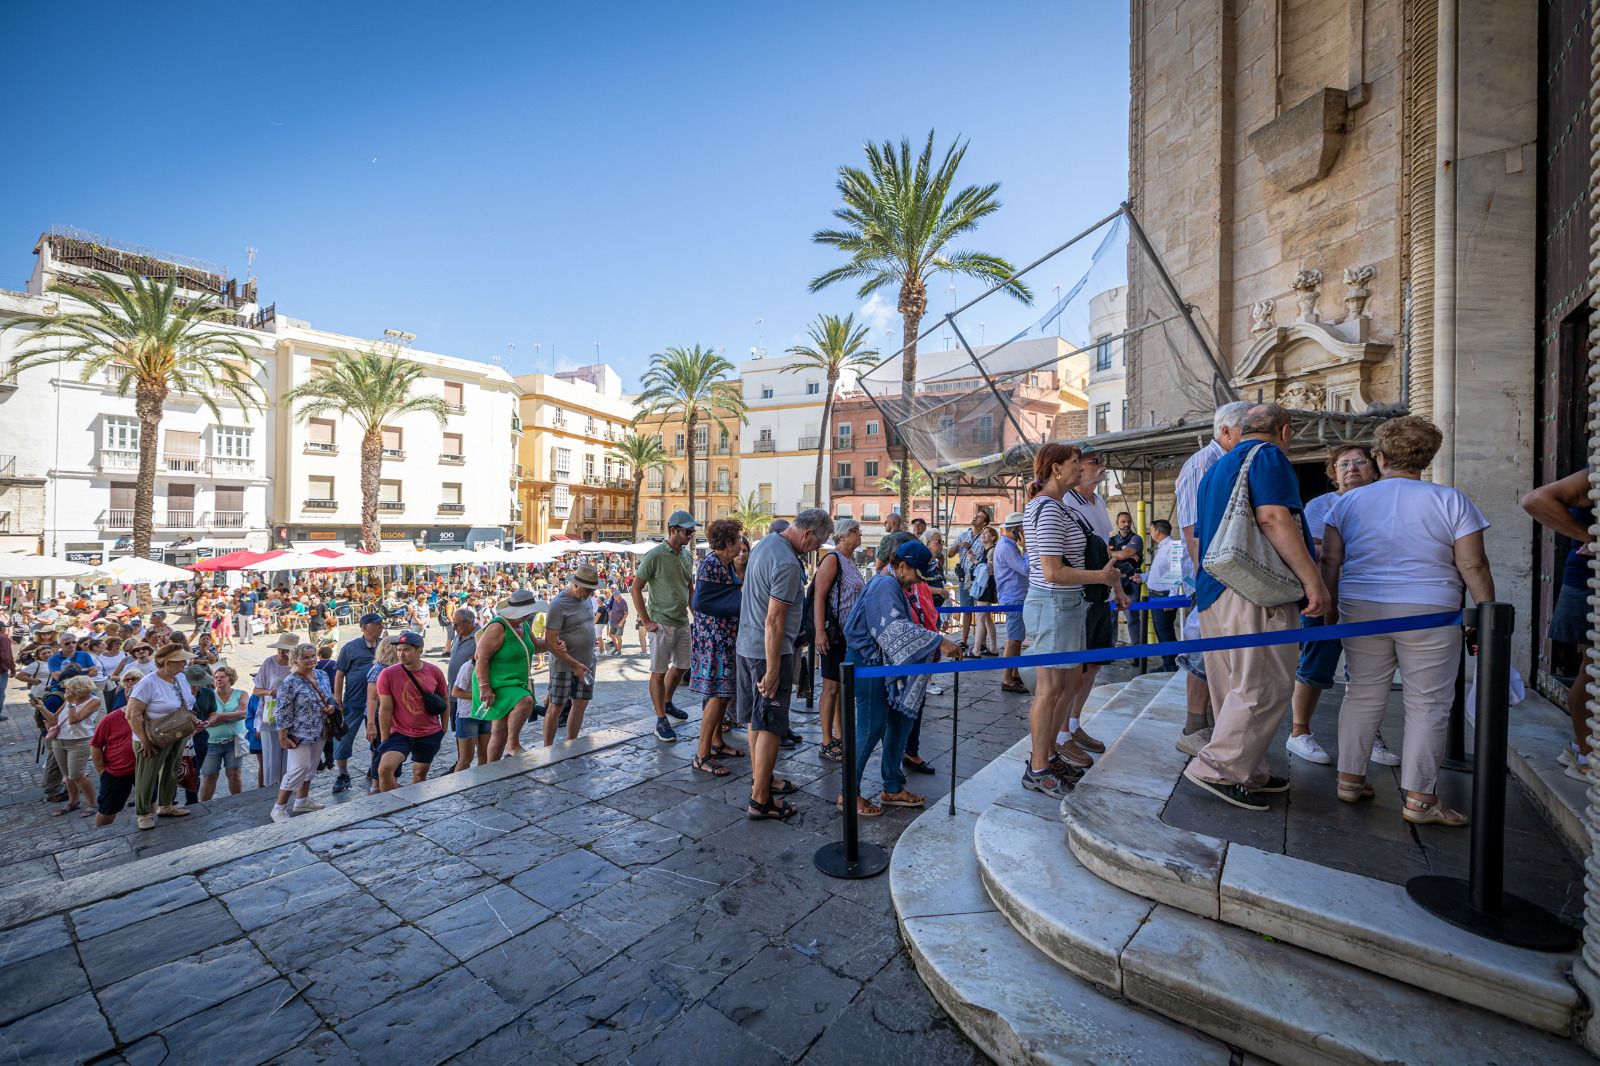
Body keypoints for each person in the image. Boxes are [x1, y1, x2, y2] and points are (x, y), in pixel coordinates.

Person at [1322, 416, 1492, 826]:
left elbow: (1331, 559)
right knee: (1428, 703)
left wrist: (1328, 607)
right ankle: (1419, 800)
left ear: (1380, 458)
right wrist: (1487, 611)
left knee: (1361, 693)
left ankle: (1349, 780)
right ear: (1428, 458)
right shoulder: (1451, 500)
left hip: (1361, 607)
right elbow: (1473, 563)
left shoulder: (1346, 502)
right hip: (1431, 608)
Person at [1182, 404, 1330, 811]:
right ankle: (1219, 768)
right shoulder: (1268, 456)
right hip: (1255, 591)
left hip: (1215, 591)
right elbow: (1272, 518)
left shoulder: (1216, 468)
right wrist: (1312, 580)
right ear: (1285, 430)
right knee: (1264, 685)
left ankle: (1248, 770)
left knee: (1233, 686)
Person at [1021, 444, 1123, 798]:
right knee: (1049, 690)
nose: (1081, 467)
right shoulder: (1048, 509)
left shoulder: (1058, 507)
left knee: (1066, 686)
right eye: (1074, 462)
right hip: (1054, 605)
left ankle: (1049, 754)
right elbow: (1052, 571)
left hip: (1067, 605)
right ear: (1056, 470)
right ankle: (1037, 768)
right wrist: (1101, 578)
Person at [1284, 443, 1388, 766]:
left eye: (1359, 462)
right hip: (1326, 597)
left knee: (1368, 672)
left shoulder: (1385, 502)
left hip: (1372, 597)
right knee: (1315, 665)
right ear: (1333, 474)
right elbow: (1316, 551)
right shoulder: (1321, 505)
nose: (1352, 468)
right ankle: (1299, 732)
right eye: (1343, 464)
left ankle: (1369, 736)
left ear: (1374, 468)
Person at [841, 539, 960, 814]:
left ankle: (892, 786)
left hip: (880, 663)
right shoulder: (885, 585)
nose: (917, 582)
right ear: (902, 566)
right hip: (867, 663)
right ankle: (849, 793)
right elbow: (894, 629)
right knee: (870, 728)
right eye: (916, 575)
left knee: (899, 723)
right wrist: (939, 642)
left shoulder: (892, 583)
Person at [738, 508, 833, 819]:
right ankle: (760, 800)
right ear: (806, 534)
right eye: (819, 542)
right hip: (769, 652)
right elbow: (774, 621)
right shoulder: (789, 564)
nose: (817, 549)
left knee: (757, 719)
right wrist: (776, 667)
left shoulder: (765, 544)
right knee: (772, 724)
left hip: (747, 647)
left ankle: (761, 780)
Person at [1173, 399, 1250, 755]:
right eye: (1248, 431)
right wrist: (1206, 580)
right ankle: (1195, 725)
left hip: (1229, 575)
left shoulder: (1237, 461)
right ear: (1225, 432)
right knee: (1203, 652)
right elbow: (1192, 528)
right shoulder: (1203, 464)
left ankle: (1217, 724)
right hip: (1212, 577)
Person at [1520, 468, 1595, 782]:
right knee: (1592, 667)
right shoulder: (1593, 473)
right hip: (1589, 579)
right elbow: (1535, 500)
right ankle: (1584, 753)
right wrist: (1590, 537)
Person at [690, 518, 748, 775]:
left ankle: (716, 741)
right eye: (737, 539)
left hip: (722, 638)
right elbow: (702, 601)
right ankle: (701, 754)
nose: (740, 545)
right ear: (727, 543)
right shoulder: (712, 564)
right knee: (716, 694)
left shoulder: (723, 565)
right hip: (714, 639)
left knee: (722, 693)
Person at [633, 511, 697, 742]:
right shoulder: (655, 555)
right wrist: (646, 621)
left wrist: (696, 616)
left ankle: (667, 703)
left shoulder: (687, 556)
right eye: (687, 531)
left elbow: (690, 590)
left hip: (682, 622)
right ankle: (661, 720)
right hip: (660, 623)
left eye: (692, 531)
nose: (691, 535)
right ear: (673, 530)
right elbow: (635, 588)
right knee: (658, 671)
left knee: (681, 667)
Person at [125, 644, 199, 830]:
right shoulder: (148, 683)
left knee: (172, 769)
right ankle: (142, 813)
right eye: (181, 660)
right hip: (152, 737)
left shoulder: (180, 677)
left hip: (176, 733)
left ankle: (166, 805)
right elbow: (132, 714)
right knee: (147, 776)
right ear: (167, 663)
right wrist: (144, 740)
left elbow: (185, 704)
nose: (185, 663)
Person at [810, 519, 865, 764]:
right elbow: (819, 597)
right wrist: (820, 631)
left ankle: (840, 734)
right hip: (834, 634)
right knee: (830, 687)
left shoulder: (850, 562)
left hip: (848, 635)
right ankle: (825, 740)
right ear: (843, 536)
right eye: (855, 532)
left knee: (842, 686)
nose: (859, 535)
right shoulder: (833, 560)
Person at [470, 590, 545, 760]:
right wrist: (485, 688)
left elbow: (534, 646)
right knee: (526, 700)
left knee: (499, 729)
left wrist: (555, 643)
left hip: (514, 680)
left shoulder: (523, 625)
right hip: (494, 681)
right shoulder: (498, 626)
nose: (530, 615)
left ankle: (492, 768)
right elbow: (480, 658)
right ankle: (513, 744)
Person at [376, 632, 450, 791]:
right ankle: (397, 804)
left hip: (429, 732)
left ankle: (415, 806)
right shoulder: (387, 674)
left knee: (419, 773)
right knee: (384, 769)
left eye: (406, 650)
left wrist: (444, 727)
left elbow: (445, 699)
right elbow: (385, 708)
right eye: (399, 650)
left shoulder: (434, 671)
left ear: (419, 651)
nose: (401, 654)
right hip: (400, 733)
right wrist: (384, 738)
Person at [269, 643, 334, 822]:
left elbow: (328, 696)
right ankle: (279, 808)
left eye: (313, 655)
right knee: (297, 769)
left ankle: (302, 800)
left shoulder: (322, 675)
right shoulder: (290, 682)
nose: (311, 660)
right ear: (295, 659)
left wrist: (330, 707)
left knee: (311, 767)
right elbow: (282, 711)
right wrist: (282, 736)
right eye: (306, 657)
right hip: (298, 733)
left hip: (320, 729)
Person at [543, 565, 600, 747]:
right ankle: (547, 747)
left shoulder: (586, 598)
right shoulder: (558, 604)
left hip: (587, 661)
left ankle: (572, 743)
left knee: (581, 703)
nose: (590, 594)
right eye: (587, 590)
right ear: (575, 585)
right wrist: (573, 664)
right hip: (564, 665)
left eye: (592, 590)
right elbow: (550, 641)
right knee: (557, 706)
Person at [331, 614, 384, 793]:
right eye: (376, 625)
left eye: (381, 624)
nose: (380, 627)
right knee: (344, 737)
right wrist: (338, 698)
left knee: (377, 736)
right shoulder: (350, 648)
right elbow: (340, 674)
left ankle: (374, 767)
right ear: (364, 627)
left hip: (379, 702)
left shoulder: (385, 646)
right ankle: (343, 773)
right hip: (354, 701)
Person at [45, 674, 101, 817]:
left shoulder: (94, 701)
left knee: (77, 774)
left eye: (69, 688)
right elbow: (54, 718)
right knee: (68, 776)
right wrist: (41, 707)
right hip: (59, 740)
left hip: (79, 741)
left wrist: (71, 703)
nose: (66, 691)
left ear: (79, 689)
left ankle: (93, 804)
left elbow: (74, 720)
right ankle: (73, 802)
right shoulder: (68, 699)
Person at [254, 633, 300, 795]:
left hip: (292, 718)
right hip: (270, 716)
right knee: (271, 757)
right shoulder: (269, 663)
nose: (282, 652)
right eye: (281, 649)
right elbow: (256, 689)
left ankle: (288, 788)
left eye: (287, 650)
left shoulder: (297, 666)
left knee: (290, 755)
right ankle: (271, 790)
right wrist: (269, 691)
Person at [445, 608, 488, 773]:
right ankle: (461, 762)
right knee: (460, 734)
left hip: (472, 695)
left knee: (476, 736)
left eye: (456, 625)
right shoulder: (459, 634)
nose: (454, 628)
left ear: (469, 622)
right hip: (456, 693)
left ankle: (464, 763)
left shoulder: (479, 637)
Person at [90, 674, 137, 827]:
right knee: (108, 809)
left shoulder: (153, 714)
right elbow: (96, 745)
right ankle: (100, 839)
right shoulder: (110, 719)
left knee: (150, 800)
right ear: (126, 694)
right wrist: (102, 771)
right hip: (116, 772)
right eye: (130, 690)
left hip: (144, 769)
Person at [198, 666, 246, 801]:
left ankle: (237, 802)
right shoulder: (209, 695)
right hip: (211, 743)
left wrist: (218, 715)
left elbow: (244, 714)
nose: (218, 679)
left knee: (234, 774)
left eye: (222, 677)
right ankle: (205, 805)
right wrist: (233, 715)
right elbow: (206, 721)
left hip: (234, 741)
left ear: (230, 678)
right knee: (209, 776)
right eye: (216, 677)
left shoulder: (241, 694)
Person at [994, 513, 1030, 692]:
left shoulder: (1008, 545)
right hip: (1014, 596)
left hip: (1015, 595)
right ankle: (1007, 678)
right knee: (1014, 639)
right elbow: (1025, 569)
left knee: (1017, 638)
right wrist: (1029, 549)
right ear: (1017, 531)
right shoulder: (1007, 547)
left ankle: (1014, 674)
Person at [1144, 520, 1184, 671]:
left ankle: (1171, 666)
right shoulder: (1161, 547)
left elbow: (1176, 573)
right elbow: (1160, 572)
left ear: (1157, 531)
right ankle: (1167, 663)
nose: (1150, 532)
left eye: (1151, 529)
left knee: (1165, 632)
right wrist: (1143, 577)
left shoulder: (1173, 546)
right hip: (1156, 596)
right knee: (1160, 631)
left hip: (1164, 596)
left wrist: (1171, 599)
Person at [603, 587, 629, 655]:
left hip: (620, 622)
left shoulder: (623, 602)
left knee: (618, 636)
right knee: (611, 634)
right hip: (613, 621)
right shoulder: (615, 600)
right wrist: (610, 612)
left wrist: (621, 622)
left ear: (618, 595)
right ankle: (617, 648)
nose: (613, 597)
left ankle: (619, 652)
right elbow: (610, 608)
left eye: (614, 596)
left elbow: (626, 613)